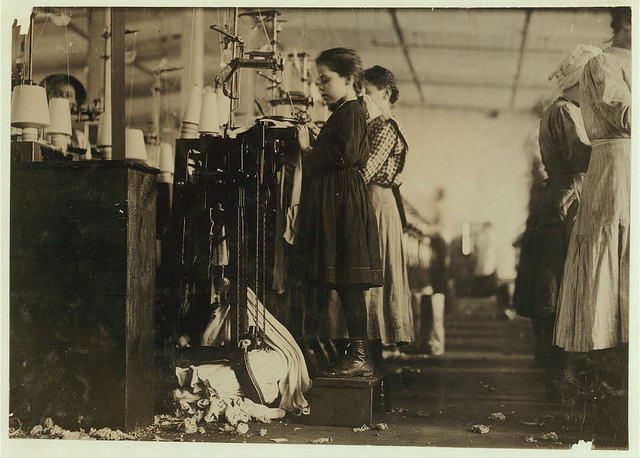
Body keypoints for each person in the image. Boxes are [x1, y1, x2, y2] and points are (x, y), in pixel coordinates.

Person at [554, 7, 631, 407]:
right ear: (629, 23)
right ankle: (602, 368)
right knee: (612, 255)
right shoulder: (603, 64)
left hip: (627, 168)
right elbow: (625, 114)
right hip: (616, 169)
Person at [512, 45, 600, 390]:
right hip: (567, 199)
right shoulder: (564, 111)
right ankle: (560, 369)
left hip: (565, 196)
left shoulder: (568, 110)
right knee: (559, 286)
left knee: (559, 285)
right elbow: (579, 156)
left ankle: (559, 366)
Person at [296, 48, 382, 377]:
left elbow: (343, 155)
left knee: (349, 280)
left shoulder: (351, 110)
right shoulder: (346, 111)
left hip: (345, 200)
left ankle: (360, 355)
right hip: (342, 197)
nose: (320, 86)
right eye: (318, 80)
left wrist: (307, 149)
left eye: (326, 79)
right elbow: (342, 149)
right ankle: (357, 353)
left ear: (348, 79)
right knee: (346, 280)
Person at [360, 65, 414, 353]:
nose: (363, 98)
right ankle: (369, 348)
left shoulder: (384, 126)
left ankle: (369, 348)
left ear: (387, 93)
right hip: (377, 201)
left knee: (372, 272)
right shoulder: (376, 125)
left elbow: (365, 172)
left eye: (368, 92)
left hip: (377, 202)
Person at [39, 73, 91, 154]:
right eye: (56, 93)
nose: (62, 98)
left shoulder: (81, 139)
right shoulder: (38, 134)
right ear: (47, 98)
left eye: (68, 95)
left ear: (75, 103)